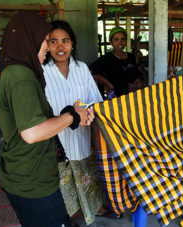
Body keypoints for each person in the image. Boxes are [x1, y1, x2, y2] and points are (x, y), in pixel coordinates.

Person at [0, 13, 94, 227]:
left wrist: (70, 114)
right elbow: (32, 132)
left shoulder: (19, 72)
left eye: (62, 40)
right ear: (29, 39)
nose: (48, 47)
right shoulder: (21, 77)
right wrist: (71, 116)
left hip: (27, 172)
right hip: (32, 179)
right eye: (46, 40)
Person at [42, 20, 119, 225]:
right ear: (46, 45)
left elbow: (95, 100)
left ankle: (95, 208)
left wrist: (91, 115)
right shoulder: (41, 73)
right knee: (61, 183)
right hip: (56, 138)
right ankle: (68, 215)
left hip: (83, 137)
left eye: (65, 41)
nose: (60, 47)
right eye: (54, 41)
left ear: (72, 44)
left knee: (88, 176)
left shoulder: (82, 68)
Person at [90, 26, 145, 98]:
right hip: (116, 96)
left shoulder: (131, 57)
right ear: (111, 42)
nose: (120, 42)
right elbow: (91, 71)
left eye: (123, 39)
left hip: (133, 95)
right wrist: (108, 84)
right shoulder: (107, 58)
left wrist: (138, 79)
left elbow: (136, 72)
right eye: (116, 39)